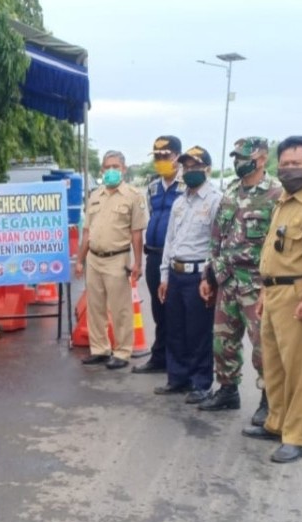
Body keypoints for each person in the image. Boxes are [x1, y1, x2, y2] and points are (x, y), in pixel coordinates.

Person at [241, 136, 302, 464]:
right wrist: (264, 294)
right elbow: (274, 252)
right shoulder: (284, 201)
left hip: (299, 294)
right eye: (284, 164)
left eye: (296, 164)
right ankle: (276, 423)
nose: (289, 169)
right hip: (273, 293)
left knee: (298, 369)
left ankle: (296, 437)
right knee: (275, 364)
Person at [198, 137, 282, 423]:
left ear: (262, 159)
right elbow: (217, 236)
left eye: (244, 157)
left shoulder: (275, 195)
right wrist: (210, 274)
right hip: (227, 278)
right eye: (236, 157)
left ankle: (269, 400)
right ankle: (227, 390)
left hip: (255, 283)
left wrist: (270, 286)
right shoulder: (231, 191)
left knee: (262, 345)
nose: (238, 162)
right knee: (223, 340)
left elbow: (278, 245)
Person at [156, 146, 222, 403]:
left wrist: (209, 277)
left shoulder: (216, 200)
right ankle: (178, 377)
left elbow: (217, 244)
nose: (190, 171)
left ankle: (200, 383)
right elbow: (169, 241)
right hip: (176, 272)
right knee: (175, 329)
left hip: (198, 276)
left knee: (198, 332)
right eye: (186, 167)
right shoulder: (180, 202)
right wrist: (164, 276)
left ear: (207, 169)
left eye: (195, 167)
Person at [74, 150, 147, 369]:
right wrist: (79, 260)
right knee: (95, 308)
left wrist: (138, 263)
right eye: (108, 167)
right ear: (102, 170)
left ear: (124, 169)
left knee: (120, 309)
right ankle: (100, 349)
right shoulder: (95, 196)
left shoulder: (133, 196)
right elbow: (87, 232)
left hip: (117, 259)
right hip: (94, 259)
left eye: (116, 166)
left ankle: (123, 352)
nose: (111, 171)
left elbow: (136, 233)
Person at [133, 136, 184, 374]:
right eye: (157, 157)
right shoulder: (153, 187)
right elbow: (154, 216)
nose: (160, 161)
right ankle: (159, 357)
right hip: (154, 256)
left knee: (176, 312)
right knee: (158, 310)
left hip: (175, 258)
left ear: (177, 157)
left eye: (165, 156)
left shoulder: (187, 186)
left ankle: (177, 362)